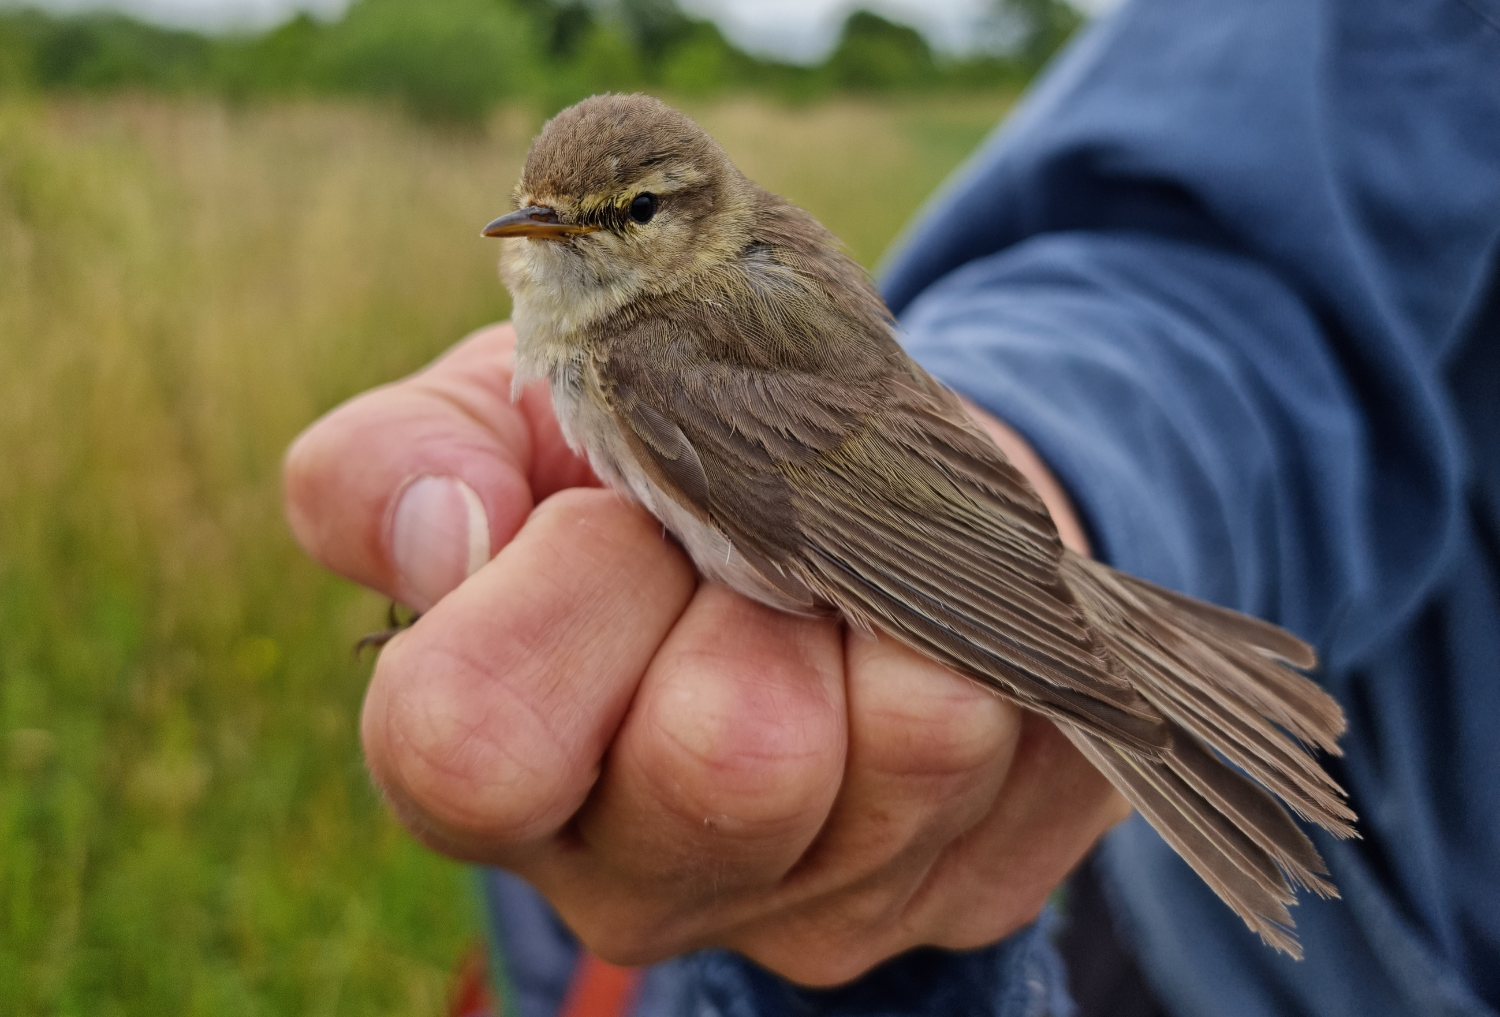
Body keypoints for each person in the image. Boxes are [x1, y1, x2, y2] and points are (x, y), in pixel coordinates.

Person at [283, 0, 1500, 1011]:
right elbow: (1199, 267)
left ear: (692, 215)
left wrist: (1073, 655)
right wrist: (1064, 485)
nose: (561, 239)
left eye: (628, 216)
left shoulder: (648, 345)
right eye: (545, 213)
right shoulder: (636, 306)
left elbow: (851, 516)